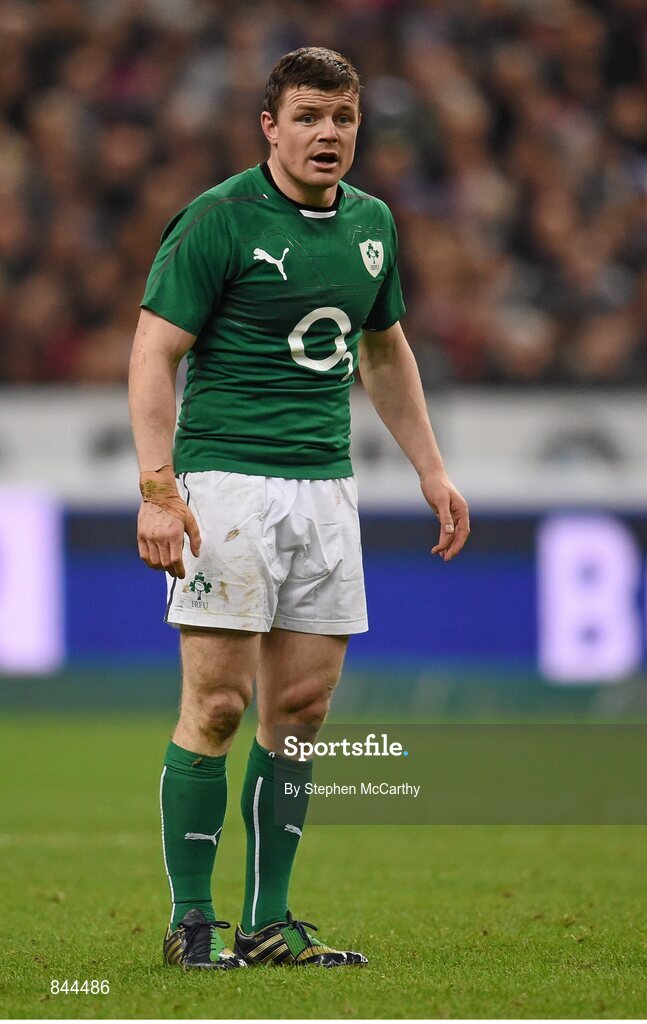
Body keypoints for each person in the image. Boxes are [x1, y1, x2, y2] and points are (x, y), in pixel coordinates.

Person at [128, 46, 470, 971]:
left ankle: (269, 923)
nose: (328, 134)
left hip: (325, 486)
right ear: (269, 127)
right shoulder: (219, 218)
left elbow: (383, 350)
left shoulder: (371, 223)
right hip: (226, 484)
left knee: (302, 710)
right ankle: (192, 923)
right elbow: (153, 353)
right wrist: (159, 490)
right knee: (217, 705)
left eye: (342, 118)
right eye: (309, 117)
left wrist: (431, 471)